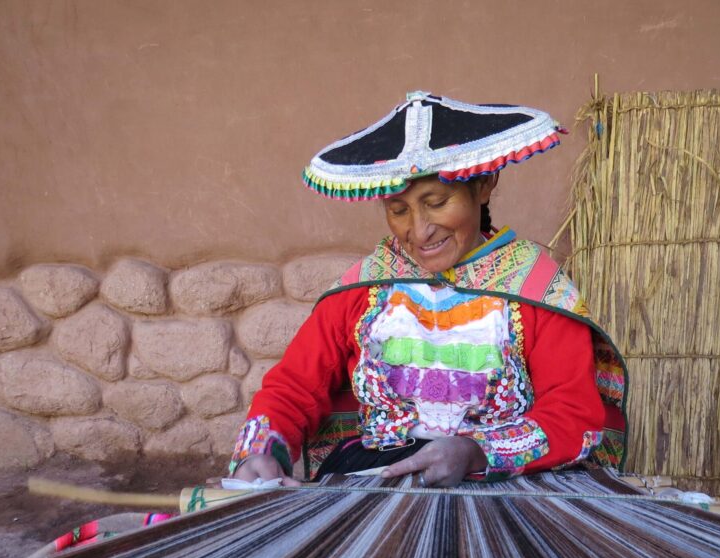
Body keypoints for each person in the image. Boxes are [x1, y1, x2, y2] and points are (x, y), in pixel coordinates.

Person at [230, 92, 627, 488]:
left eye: (436, 202)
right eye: (399, 210)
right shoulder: (364, 288)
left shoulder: (534, 287)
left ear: (484, 184)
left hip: (500, 482)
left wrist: (476, 451)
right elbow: (294, 387)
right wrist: (259, 452)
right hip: (377, 476)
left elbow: (572, 414)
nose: (419, 231)